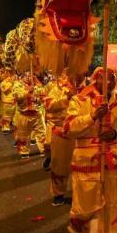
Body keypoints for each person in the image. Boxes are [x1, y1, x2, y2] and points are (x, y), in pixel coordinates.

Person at [64, 67, 117, 233]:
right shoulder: (79, 100)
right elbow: (69, 128)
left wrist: (116, 134)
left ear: (115, 81)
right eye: (102, 78)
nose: (107, 82)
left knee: (114, 204)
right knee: (84, 203)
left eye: (111, 78)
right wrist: (93, 117)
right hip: (86, 161)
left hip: (113, 162)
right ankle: (77, 232)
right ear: (94, 79)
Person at [43, 71, 76, 206]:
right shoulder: (55, 90)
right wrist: (66, 98)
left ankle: (82, 194)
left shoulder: (85, 89)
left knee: (83, 165)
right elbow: (49, 106)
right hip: (62, 131)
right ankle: (59, 193)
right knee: (60, 165)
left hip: (82, 132)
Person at [12, 73, 46, 159]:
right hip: (24, 114)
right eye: (26, 75)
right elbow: (17, 97)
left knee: (42, 133)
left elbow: (43, 97)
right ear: (22, 76)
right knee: (23, 134)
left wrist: (36, 99)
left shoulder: (36, 85)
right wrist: (28, 92)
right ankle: (24, 151)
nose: (28, 77)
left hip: (37, 114)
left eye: (30, 75)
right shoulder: (17, 85)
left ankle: (44, 149)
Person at [0, 69, 17, 134]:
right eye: (13, 76)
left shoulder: (15, 83)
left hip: (15, 102)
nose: (14, 77)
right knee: (6, 116)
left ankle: (17, 128)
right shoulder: (3, 83)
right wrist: (11, 84)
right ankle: (5, 128)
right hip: (7, 102)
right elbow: (4, 90)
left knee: (17, 116)